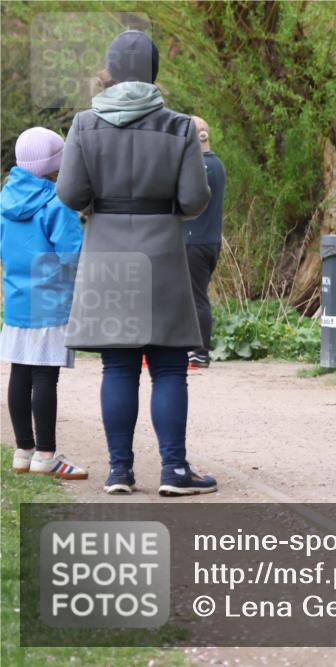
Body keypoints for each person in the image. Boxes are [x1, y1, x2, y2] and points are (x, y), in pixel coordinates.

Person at [56, 30, 216, 496]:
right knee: (168, 367)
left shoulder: (85, 123)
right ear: (154, 71)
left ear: (111, 69)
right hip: (162, 252)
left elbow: (69, 194)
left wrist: (99, 205)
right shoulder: (180, 126)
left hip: (107, 250)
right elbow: (192, 200)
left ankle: (119, 471)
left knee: (118, 367)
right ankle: (173, 471)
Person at [1, 127, 87, 479]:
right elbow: (71, 254)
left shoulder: (5, 199)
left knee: (20, 373)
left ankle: (24, 450)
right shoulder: (57, 202)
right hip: (50, 302)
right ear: (56, 164)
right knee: (45, 378)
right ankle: (47, 455)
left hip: (17, 300)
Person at [185, 116, 226, 368]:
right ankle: (191, 348)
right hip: (209, 240)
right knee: (195, 295)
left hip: (194, 241)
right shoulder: (216, 164)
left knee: (196, 297)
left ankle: (200, 351)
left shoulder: (198, 168)